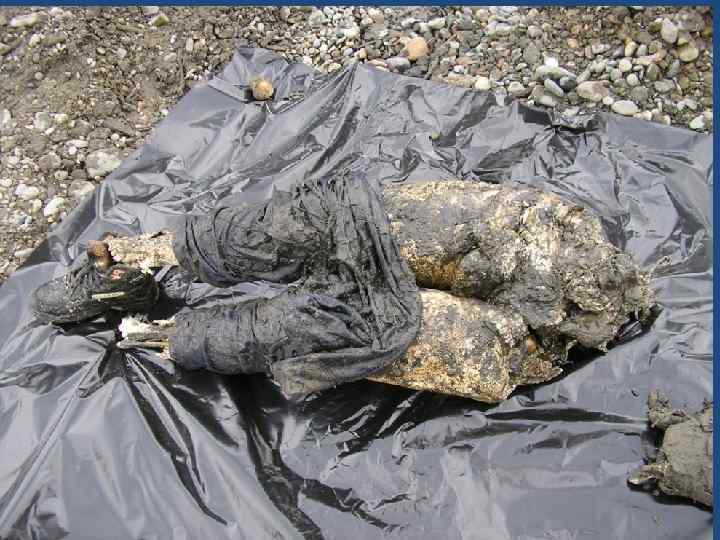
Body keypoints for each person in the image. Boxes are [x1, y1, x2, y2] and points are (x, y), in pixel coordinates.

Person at [32, 177, 653, 398]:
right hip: (537, 235)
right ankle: (129, 264)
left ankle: (152, 332)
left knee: (323, 327)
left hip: (539, 332)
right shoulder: (541, 225)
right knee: (317, 223)